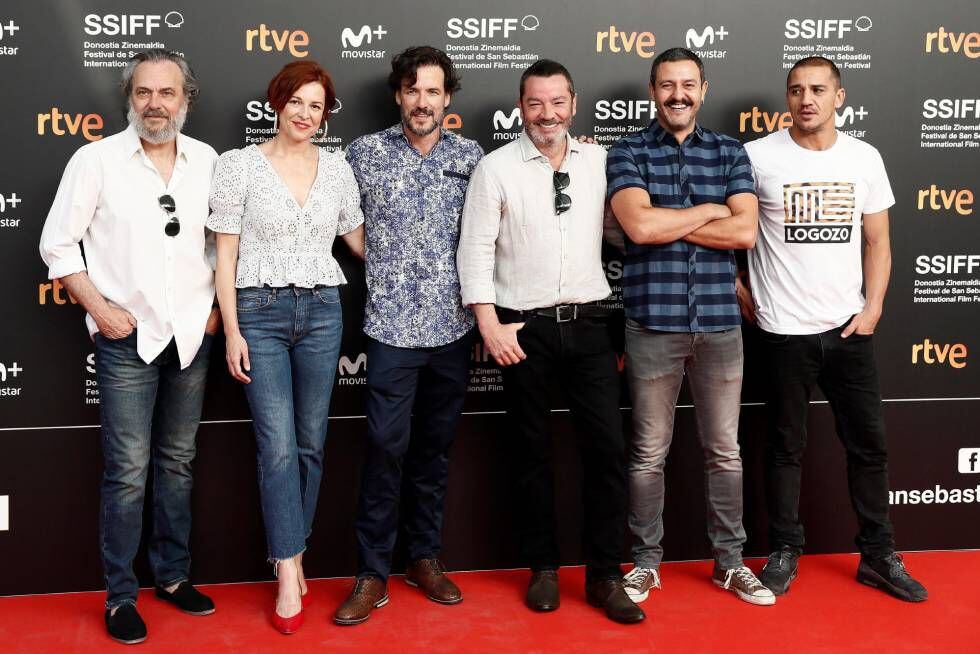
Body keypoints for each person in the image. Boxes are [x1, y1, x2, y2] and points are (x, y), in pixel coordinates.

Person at [38, 49, 219, 645]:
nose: (155, 104)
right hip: (126, 342)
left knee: (178, 464)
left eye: (167, 93)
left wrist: (216, 310)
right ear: (129, 98)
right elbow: (58, 246)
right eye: (144, 93)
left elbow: (222, 244)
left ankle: (171, 576)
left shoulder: (208, 161)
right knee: (128, 473)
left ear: (185, 99)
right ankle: (120, 597)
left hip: (192, 338)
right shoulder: (95, 160)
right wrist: (101, 309)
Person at [458, 59, 644, 625]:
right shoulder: (494, 168)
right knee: (530, 454)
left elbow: (619, 231)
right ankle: (542, 566)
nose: (547, 114)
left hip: (589, 325)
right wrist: (488, 325)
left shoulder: (601, 162)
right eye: (536, 104)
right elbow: (476, 250)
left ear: (573, 103)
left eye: (557, 102)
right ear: (521, 107)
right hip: (522, 329)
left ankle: (607, 575)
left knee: (607, 453)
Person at [740, 56, 927, 602]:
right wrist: (740, 291)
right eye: (797, 90)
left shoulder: (864, 157)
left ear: (838, 97)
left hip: (849, 332)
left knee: (868, 448)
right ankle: (783, 550)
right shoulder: (757, 157)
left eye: (818, 90)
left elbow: (879, 241)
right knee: (783, 449)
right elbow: (726, 225)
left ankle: (877, 554)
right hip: (781, 333)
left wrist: (872, 309)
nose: (806, 100)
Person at [607, 47, 774, 606]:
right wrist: (709, 211)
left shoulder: (730, 151)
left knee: (725, 451)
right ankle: (645, 563)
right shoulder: (628, 150)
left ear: (703, 89)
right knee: (648, 452)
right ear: (652, 90)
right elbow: (638, 226)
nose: (677, 94)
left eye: (687, 85)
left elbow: (745, 234)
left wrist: (670, 220)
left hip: (722, 328)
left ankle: (730, 562)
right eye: (666, 85)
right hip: (653, 326)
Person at [208, 60, 366, 634]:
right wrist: (231, 330)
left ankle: (289, 553)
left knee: (311, 445)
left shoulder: (339, 168)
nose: (306, 113)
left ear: (326, 114)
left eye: (317, 105)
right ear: (277, 103)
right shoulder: (239, 166)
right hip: (259, 312)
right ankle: (289, 570)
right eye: (297, 101)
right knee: (276, 447)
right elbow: (224, 256)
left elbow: (358, 241)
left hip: (323, 312)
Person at [334, 46, 483, 626]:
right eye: (412, 90)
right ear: (398, 94)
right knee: (384, 451)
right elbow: (345, 224)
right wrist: (386, 262)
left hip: (453, 331)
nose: (423, 102)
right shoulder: (363, 154)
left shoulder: (473, 158)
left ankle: (423, 556)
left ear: (447, 98)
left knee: (434, 453)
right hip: (391, 330)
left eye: (434, 91)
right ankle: (372, 573)